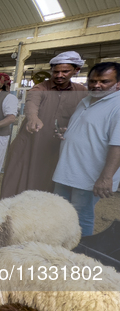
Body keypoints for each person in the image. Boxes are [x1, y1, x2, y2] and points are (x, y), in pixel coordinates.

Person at [1, 52, 86, 198]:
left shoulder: (82, 92)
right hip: (31, 143)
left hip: (56, 147)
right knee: (17, 179)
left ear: (76, 70)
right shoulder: (40, 88)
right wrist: (33, 118)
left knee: (49, 183)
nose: (59, 75)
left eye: (65, 71)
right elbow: (32, 102)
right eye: (56, 71)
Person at [52, 62, 120, 236]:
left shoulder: (117, 106)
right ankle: (60, 248)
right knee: (59, 211)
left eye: (104, 81)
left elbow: (117, 145)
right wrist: (68, 133)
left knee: (81, 216)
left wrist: (106, 178)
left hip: (90, 174)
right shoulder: (86, 101)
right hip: (68, 169)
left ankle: (79, 254)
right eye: (92, 81)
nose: (96, 85)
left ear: (118, 83)